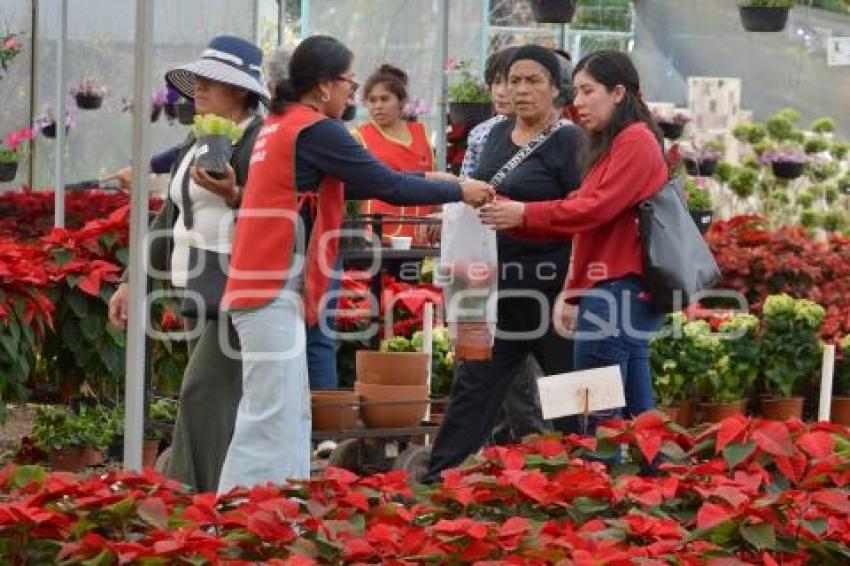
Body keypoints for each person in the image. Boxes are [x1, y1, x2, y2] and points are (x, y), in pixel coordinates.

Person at [216, 35, 494, 494]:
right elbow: (386, 185)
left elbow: (371, 178)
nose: (353, 92)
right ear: (324, 86)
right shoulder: (316, 129)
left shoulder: (281, 123)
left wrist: (438, 179)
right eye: (349, 80)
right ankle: (233, 511)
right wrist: (458, 190)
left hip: (262, 279)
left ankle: (279, 508)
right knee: (269, 408)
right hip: (272, 283)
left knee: (287, 406)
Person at [108, 36, 268, 493]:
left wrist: (236, 195)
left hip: (241, 294)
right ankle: (220, 505)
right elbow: (168, 217)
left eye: (210, 82)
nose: (198, 89)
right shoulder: (198, 138)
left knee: (203, 394)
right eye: (197, 81)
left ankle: (183, 505)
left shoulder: (260, 141)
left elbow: (276, 216)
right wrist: (130, 282)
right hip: (198, 291)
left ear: (241, 91)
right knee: (219, 404)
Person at [479, 49, 669, 434]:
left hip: (616, 288)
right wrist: (573, 289)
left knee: (600, 413)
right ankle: (648, 483)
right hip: (598, 287)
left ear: (618, 93)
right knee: (633, 413)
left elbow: (590, 210)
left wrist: (525, 214)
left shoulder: (633, 140)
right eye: (576, 92)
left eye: (587, 91)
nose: (577, 102)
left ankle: (598, 483)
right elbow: (583, 213)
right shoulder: (607, 142)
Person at [424, 45, 583, 482]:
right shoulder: (494, 134)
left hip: (550, 289)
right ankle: (438, 482)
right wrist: (454, 193)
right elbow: (479, 194)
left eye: (534, 80)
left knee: (573, 392)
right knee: (472, 387)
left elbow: (585, 216)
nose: (522, 89)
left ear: (556, 89)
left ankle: (603, 478)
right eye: (514, 80)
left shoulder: (570, 141)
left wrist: (574, 290)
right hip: (488, 287)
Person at [353, 64, 437, 244]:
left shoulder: (421, 133)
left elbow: (435, 184)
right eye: (372, 100)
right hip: (377, 236)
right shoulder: (359, 137)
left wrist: (439, 216)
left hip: (421, 236)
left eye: (384, 99)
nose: (378, 106)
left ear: (401, 101)